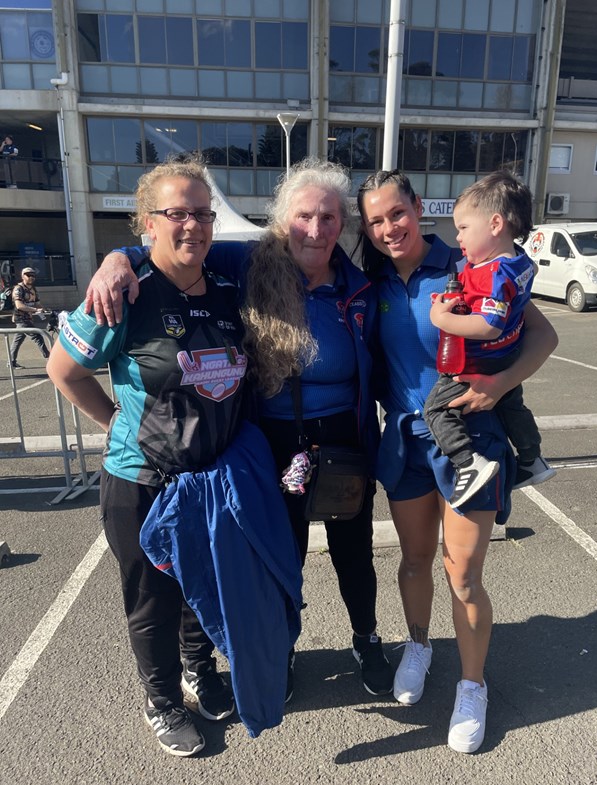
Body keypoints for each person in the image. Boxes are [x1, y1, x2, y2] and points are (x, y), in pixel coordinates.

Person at [85, 157, 393, 699]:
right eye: (304, 216)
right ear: (282, 220)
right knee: (280, 553)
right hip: (270, 442)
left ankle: (366, 639)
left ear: (342, 223)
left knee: (353, 550)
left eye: (328, 218)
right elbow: (175, 249)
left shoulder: (359, 288)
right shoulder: (251, 260)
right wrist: (117, 259)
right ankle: (285, 646)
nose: (315, 230)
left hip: (343, 439)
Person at [47, 156, 303, 757]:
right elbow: (64, 371)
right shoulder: (122, 292)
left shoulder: (227, 288)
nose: (192, 225)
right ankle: (161, 700)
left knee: (199, 584)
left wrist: (125, 252)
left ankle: (198, 669)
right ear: (147, 220)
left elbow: (281, 247)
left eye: (202, 213)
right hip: (141, 482)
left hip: (209, 483)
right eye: (176, 213)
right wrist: (116, 424)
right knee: (152, 599)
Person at [355, 169, 558, 753]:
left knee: (463, 574)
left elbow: (542, 337)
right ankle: (418, 646)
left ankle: (473, 685)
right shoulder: (369, 283)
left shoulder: (464, 262)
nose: (389, 228)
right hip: (406, 441)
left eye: (397, 213)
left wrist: (498, 387)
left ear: (418, 208)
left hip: (470, 433)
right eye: (375, 220)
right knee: (416, 560)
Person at [424, 171, 556, 508]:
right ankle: (531, 458)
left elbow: (489, 325)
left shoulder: (492, 273)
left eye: (464, 228)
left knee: (437, 410)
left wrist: (442, 318)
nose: (458, 237)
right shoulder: (519, 263)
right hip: (507, 358)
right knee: (512, 405)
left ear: (495, 224)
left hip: (480, 361)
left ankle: (468, 462)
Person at [8, 267, 50, 369]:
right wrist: (35, 310)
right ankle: (50, 358)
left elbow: (37, 304)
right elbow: (19, 306)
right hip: (21, 318)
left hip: (28, 318)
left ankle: (11, 362)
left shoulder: (33, 289)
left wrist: (45, 309)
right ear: (23, 276)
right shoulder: (18, 289)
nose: (31, 277)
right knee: (37, 336)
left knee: (18, 340)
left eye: (33, 275)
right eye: (28, 275)